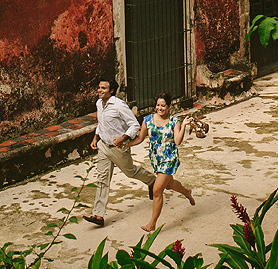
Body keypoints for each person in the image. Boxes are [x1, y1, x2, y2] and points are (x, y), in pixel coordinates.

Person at [83, 77, 155, 227]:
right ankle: (98, 215)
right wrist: (95, 138)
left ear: (111, 91)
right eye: (99, 88)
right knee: (102, 179)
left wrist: (123, 139)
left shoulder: (119, 106)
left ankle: (151, 181)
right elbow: (101, 123)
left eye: (103, 88)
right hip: (103, 146)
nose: (100, 91)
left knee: (130, 172)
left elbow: (134, 125)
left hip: (118, 148)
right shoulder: (99, 103)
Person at [128, 93, 196, 232]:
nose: (160, 108)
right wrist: (126, 145)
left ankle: (152, 223)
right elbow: (140, 138)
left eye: (163, 105)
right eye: (158, 105)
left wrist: (183, 126)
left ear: (169, 106)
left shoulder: (174, 122)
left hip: (169, 158)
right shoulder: (147, 120)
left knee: (157, 190)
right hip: (156, 159)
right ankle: (187, 192)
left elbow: (177, 141)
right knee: (169, 184)